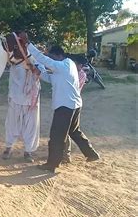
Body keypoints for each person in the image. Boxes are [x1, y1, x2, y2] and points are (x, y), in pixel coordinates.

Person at [23, 35, 100, 173]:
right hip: (74, 104)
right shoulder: (66, 66)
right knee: (74, 131)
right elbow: (49, 77)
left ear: (58, 55)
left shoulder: (63, 65)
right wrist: (38, 70)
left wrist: (28, 44)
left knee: (57, 135)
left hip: (65, 106)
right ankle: (91, 154)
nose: (50, 59)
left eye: (52, 56)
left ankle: (52, 164)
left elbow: (44, 59)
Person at [3, 54, 41, 163]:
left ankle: (28, 151)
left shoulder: (34, 59)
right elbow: (11, 61)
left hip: (31, 100)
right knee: (12, 123)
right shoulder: (14, 61)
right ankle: (8, 148)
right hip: (15, 97)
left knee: (31, 125)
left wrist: (32, 66)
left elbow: (39, 73)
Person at [63, 54, 88, 163]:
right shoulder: (76, 73)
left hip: (72, 104)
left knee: (67, 130)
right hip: (73, 103)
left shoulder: (81, 74)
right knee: (70, 130)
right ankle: (65, 154)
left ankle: (66, 155)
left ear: (80, 65)